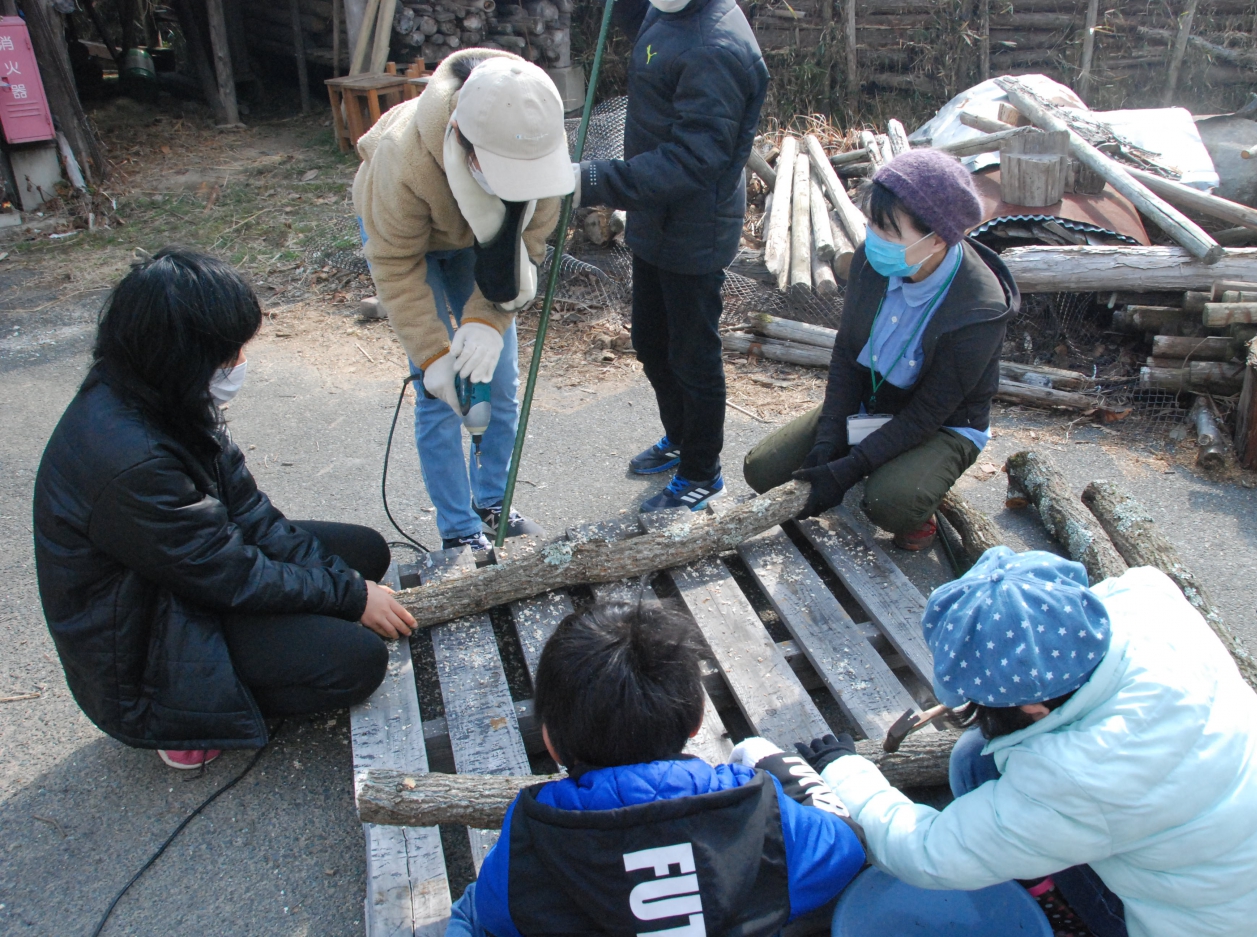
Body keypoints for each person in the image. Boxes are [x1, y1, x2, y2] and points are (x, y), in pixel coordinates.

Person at [794, 547, 1257, 937]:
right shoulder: (1144, 603)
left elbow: (928, 855)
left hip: (1205, 923)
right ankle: (1029, 861)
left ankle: (1068, 914)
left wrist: (844, 771)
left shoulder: (1082, 773)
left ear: (1034, 707)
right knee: (977, 759)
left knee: (982, 773)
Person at [32, 249, 415, 770]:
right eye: (228, 350)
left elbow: (249, 512)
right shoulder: (129, 459)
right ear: (182, 353)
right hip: (148, 639)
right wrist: (347, 597)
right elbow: (230, 575)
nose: (238, 361)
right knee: (357, 662)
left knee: (363, 550)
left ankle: (291, 635)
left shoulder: (162, 393)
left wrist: (343, 587)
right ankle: (187, 722)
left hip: (178, 574)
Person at [445, 600, 866, 937]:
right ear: (698, 718)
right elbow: (848, 848)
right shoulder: (758, 805)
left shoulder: (533, 830)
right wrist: (789, 770)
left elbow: (496, 914)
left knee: (472, 906)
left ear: (550, 740)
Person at [355, 50, 573, 551]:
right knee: (441, 392)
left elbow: (528, 244)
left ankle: (492, 499)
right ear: (462, 141)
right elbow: (394, 264)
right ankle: (459, 530)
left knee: (500, 378)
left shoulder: (542, 146)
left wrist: (486, 318)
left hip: (481, 238)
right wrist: (433, 354)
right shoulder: (400, 157)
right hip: (410, 246)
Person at [743, 149, 1012, 551]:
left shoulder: (978, 309)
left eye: (888, 231)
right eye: (871, 223)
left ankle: (917, 494)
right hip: (873, 403)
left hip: (940, 425)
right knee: (762, 470)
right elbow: (847, 356)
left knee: (891, 503)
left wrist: (848, 469)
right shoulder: (874, 260)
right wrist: (827, 441)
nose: (872, 237)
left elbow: (927, 414)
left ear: (936, 237)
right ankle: (877, 460)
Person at [575, 0, 769, 513]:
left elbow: (692, 161)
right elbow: (634, 15)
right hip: (653, 214)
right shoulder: (668, 9)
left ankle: (703, 472)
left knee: (693, 356)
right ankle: (681, 437)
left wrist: (590, 180)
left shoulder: (716, 49)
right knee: (651, 341)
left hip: (694, 227)